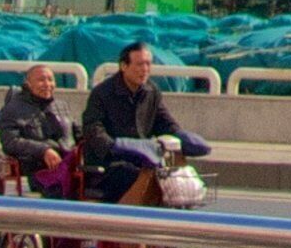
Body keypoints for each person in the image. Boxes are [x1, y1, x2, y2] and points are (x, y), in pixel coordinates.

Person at [76, 42, 210, 206]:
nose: (145, 69)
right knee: (143, 176)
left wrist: (180, 136)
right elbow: (93, 130)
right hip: (108, 165)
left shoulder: (151, 91)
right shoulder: (102, 93)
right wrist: (118, 146)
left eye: (148, 64)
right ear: (124, 66)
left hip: (143, 160)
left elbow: (164, 122)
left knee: (177, 178)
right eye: (139, 64)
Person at [0, 64, 74, 186]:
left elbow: (76, 133)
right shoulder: (13, 109)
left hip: (68, 164)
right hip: (36, 168)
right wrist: (43, 150)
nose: (47, 84)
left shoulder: (61, 106)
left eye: (50, 80)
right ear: (28, 84)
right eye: (41, 80)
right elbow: (10, 142)